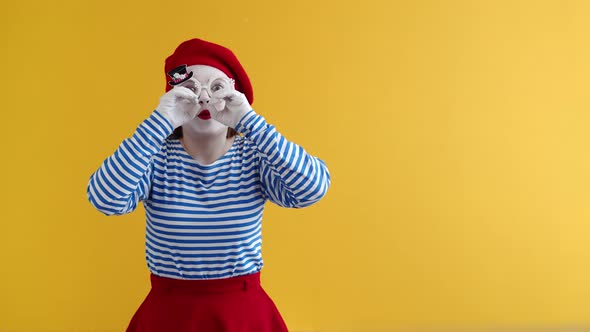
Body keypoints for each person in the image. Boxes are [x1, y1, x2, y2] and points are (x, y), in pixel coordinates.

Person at [86, 38, 331, 332]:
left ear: (234, 92)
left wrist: (250, 122)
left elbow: (313, 188)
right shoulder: (155, 159)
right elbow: (104, 198)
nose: (203, 98)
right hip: (167, 316)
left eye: (215, 86)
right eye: (190, 88)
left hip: (244, 315)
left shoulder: (254, 157)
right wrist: (158, 123)